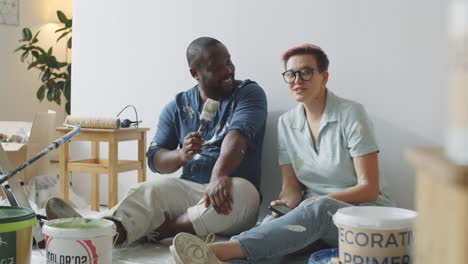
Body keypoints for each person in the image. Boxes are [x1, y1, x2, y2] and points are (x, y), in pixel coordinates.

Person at [169, 44, 394, 264]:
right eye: (291, 74)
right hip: (311, 216)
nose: (297, 80)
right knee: (269, 233)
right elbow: (292, 189)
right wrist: (284, 207)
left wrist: (314, 203)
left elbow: (369, 189)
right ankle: (222, 260)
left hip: (360, 219)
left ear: (324, 77)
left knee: (318, 209)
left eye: (306, 72)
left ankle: (218, 250)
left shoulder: (352, 114)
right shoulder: (287, 122)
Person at [103, 37, 268, 246]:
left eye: (228, 62)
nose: (228, 70)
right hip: (189, 188)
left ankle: (158, 231)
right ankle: (98, 233)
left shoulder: (248, 93)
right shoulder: (177, 106)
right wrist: (181, 155)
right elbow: (155, 160)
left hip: (231, 191)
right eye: (216, 67)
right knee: (146, 191)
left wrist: (220, 174)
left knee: (244, 193)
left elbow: (236, 136)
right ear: (195, 73)